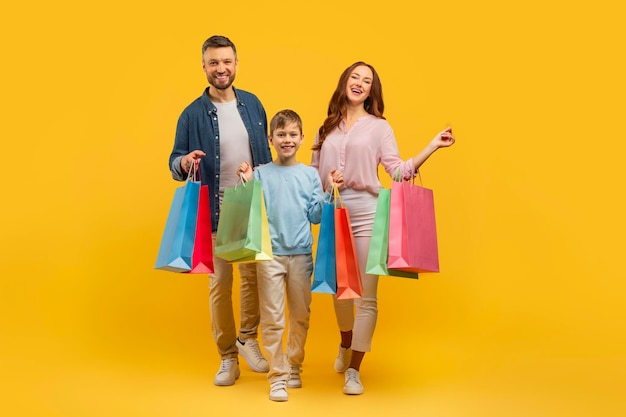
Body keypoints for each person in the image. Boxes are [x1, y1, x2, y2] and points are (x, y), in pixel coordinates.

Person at [310, 61, 456, 395]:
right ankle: (345, 343)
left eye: (367, 80)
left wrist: (432, 146)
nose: (359, 83)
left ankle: (354, 369)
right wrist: (325, 184)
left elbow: (398, 171)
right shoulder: (326, 128)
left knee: (366, 295)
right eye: (354, 77)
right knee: (338, 290)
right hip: (334, 211)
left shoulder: (379, 128)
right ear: (344, 82)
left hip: (366, 211)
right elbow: (313, 175)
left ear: (371, 91)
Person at [168, 35, 272, 386]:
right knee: (220, 285)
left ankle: (247, 338)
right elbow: (173, 161)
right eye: (214, 63)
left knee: (253, 279)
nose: (221, 68)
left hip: (249, 204)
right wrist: (183, 161)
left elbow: (267, 159)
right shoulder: (191, 114)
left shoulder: (253, 105)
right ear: (204, 67)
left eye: (226, 61)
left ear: (236, 63)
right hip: (215, 209)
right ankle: (227, 356)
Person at [238, 110, 343, 402]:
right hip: (269, 256)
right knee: (272, 319)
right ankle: (278, 376)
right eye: (281, 135)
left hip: (300, 256)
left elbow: (316, 216)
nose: (287, 140)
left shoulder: (309, 175)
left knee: (300, 315)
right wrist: (247, 183)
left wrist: (329, 192)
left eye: (293, 134)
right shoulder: (260, 173)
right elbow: (250, 213)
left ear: (301, 138)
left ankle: (294, 366)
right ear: (270, 139)